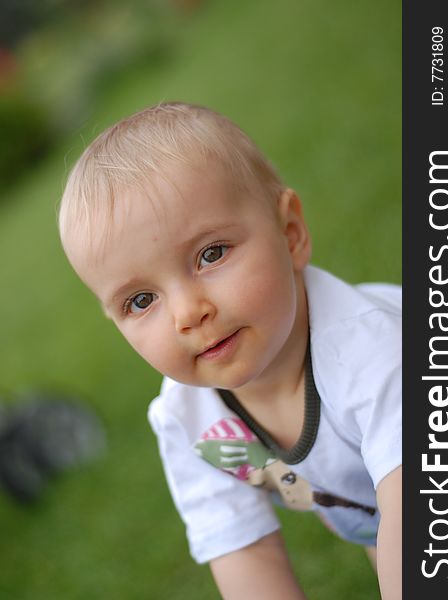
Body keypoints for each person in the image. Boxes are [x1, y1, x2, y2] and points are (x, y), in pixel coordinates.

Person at [58, 102, 402, 599]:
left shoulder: (373, 352)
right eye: (140, 300)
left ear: (291, 234)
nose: (187, 313)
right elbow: (246, 555)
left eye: (210, 254)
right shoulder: (189, 422)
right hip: (373, 510)